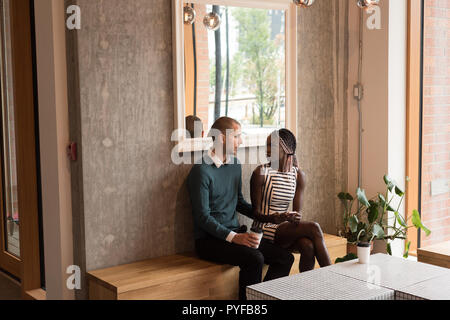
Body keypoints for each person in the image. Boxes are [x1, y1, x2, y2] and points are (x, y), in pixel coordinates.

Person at [187, 117, 294, 301]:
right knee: (255, 258)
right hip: (209, 241)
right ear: (222, 138)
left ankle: (263, 300)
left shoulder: (235, 165)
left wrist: (270, 218)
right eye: (237, 136)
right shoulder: (201, 171)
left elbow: (239, 202)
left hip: (234, 233)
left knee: (285, 258)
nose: (241, 141)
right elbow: (202, 218)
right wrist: (235, 238)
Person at [250, 129, 332, 273]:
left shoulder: (298, 175)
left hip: (284, 229)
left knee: (308, 246)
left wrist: (293, 217)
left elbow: (297, 214)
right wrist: (274, 218)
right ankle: (333, 276)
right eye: (267, 145)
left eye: (272, 146)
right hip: (265, 227)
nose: (267, 150)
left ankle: (304, 289)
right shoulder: (261, 173)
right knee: (314, 227)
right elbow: (255, 213)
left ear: (286, 148)